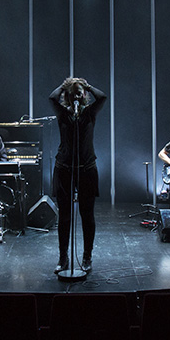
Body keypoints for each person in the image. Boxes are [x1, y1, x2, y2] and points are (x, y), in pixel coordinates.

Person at [50, 77, 107, 274]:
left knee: (87, 215)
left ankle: (87, 256)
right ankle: (63, 257)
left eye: (79, 92)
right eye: (72, 93)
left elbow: (102, 97)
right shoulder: (63, 113)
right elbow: (52, 98)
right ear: (67, 95)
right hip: (64, 168)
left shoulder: (90, 113)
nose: (76, 95)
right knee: (64, 216)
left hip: (87, 169)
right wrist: (65, 85)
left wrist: (87, 86)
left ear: (84, 95)